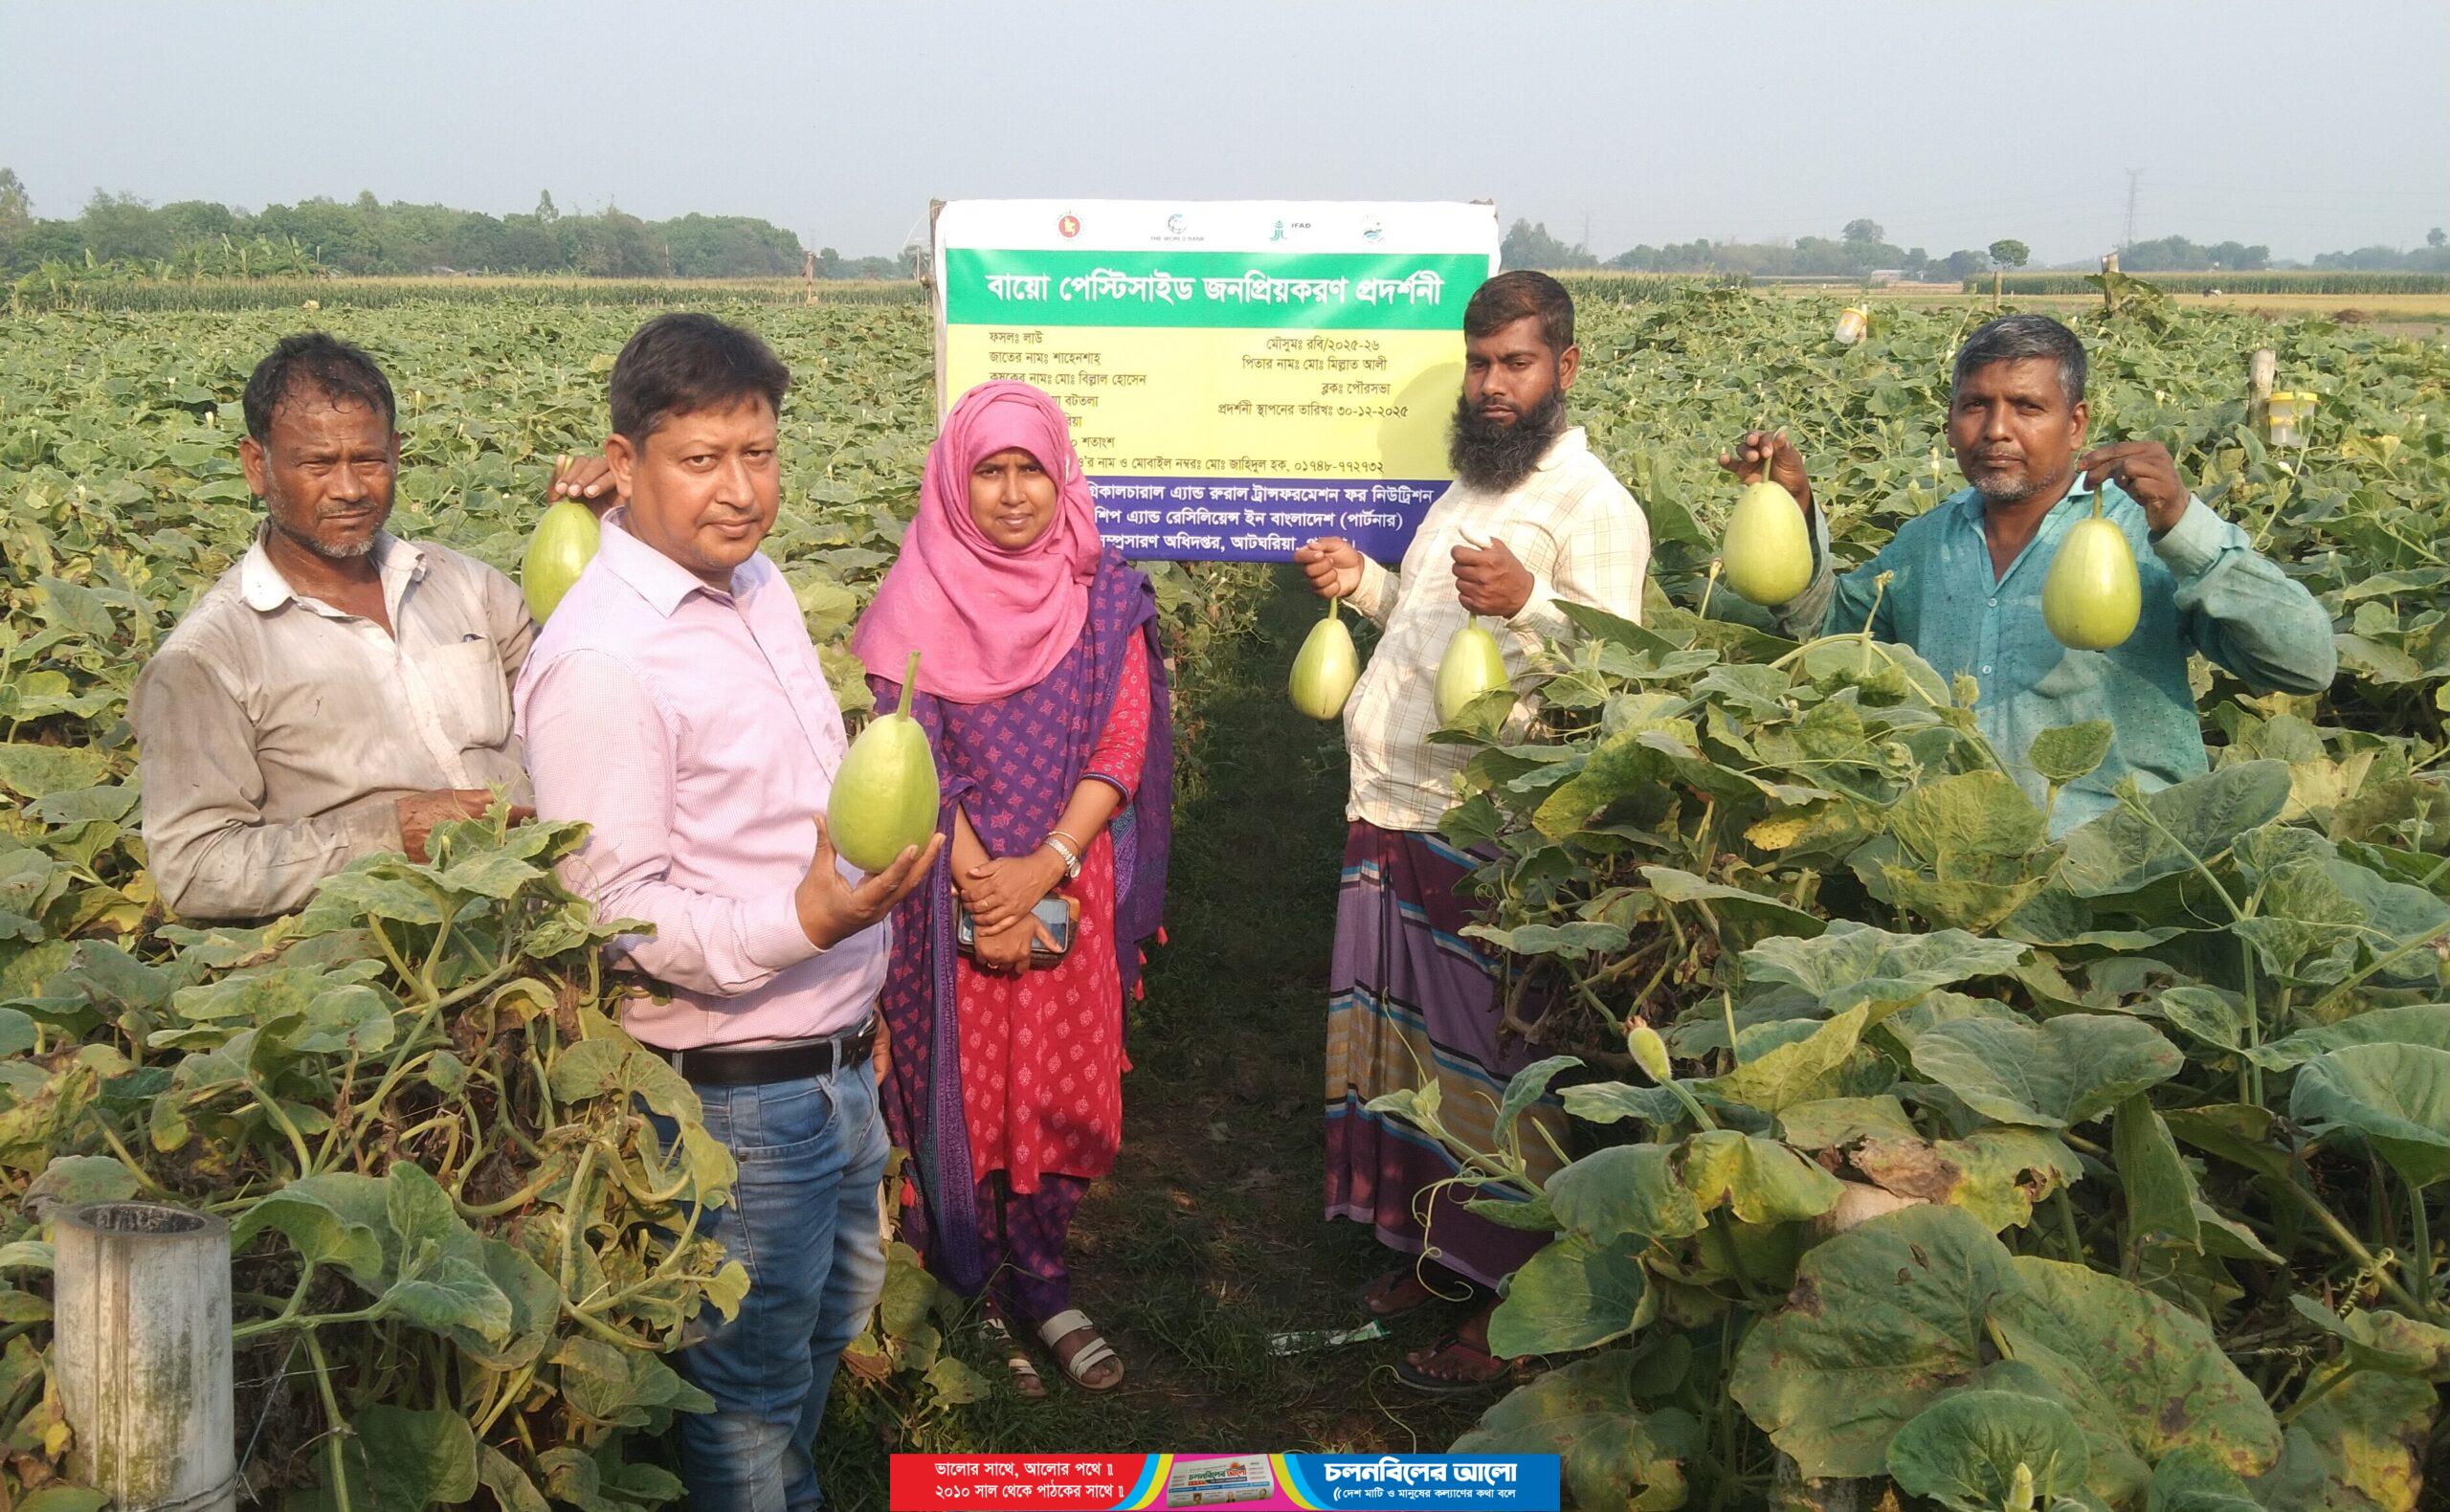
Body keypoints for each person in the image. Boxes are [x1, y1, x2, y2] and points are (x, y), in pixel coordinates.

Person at [513, 313, 939, 1510]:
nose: (741, 489)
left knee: (808, 1350)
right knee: (744, 1411)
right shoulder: (604, 661)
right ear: (625, 459)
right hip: (739, 1101)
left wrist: (853, 989)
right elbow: (617, 917)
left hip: (833, 1066)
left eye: (758, 452)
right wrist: (806, 922)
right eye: (702, 458)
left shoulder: (753, 582)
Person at [1291, 271, 1652, 1393]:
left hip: (1489, 825)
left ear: (1565, 370)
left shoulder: (1593, 504)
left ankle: (1515, 1295)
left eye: (1517, 364)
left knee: (1489, 1067)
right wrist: (1366, 584)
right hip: (1391, 805)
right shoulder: (1467, 488)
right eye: (1480, 361)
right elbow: (1432, 627)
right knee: (1405, 1049)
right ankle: (1436, 1252)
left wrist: (1532, 605)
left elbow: (1624, 674)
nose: (1493, 384)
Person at [850, 380, 1171, 1399]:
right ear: (954, 481)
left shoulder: (1104, 591)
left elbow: (1123, 739)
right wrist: (979, 868)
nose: (1013, 492)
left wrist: (1049, 861)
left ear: (1060, 471)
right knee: (962, 1082)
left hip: (1068, 874)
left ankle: (1043, 1270)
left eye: (1031, 466)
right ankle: (969, 1285)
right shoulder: (915, 595)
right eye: (988, 470)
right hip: (947, 880)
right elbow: (909, 748)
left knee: (1059, 1081)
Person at [1723, 313, 2336, 833]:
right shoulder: (1925, 540)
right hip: (1952, 846)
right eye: (1975, 406)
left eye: (2027, 408)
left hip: (2120, 854)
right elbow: (1833, 629)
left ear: (2075, 424)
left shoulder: (2149, 536)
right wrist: (1794, 509)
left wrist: (2183, 526)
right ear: (1950, 420)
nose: (1996, 430)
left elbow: (2303, 666)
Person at [131, 333, 569, 921]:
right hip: (382, 955)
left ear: (395, 454)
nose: (349, 489)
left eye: (367, 460)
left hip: (542, 913)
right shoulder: (207, 657)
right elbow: (194, 869)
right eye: (317, 463)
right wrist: (385, 837)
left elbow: (578, 703)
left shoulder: (466, 585)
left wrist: (609, 525)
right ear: (257, 466)